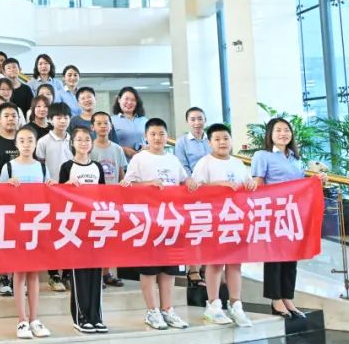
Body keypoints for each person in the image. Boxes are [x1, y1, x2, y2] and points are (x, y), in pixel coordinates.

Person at [120, 118, 190, 331]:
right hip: (148, 221)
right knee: (149, 269)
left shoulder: (173, 159)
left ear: (167, 136)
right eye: (153, 134)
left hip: (171, 220)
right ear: (146, 137)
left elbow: (184, 181)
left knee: (169, 269)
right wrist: (148, 184)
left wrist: (193, 183)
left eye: (161, 134)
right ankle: (152, 311)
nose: (158, 138)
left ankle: (167, 309)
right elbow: (127, 186)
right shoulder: (139, 159)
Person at [253, 117, 327, 319]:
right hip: (273, 212)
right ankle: (275, 300)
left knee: (291, 257)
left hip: (293, 213)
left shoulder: (295, 158)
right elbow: (258, 184)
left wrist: (316, 181)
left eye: (286, 130)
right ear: (270, 134)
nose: (283, 134)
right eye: (278, 130)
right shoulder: (262, 155)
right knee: (275, 258)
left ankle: (287, 298)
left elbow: (300, 185)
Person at [189, 123, 257, 328]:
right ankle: (213, 305)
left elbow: (248, 184)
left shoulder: (238, 163)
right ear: (209, 142)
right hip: (214, 220)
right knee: (215, 262)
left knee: (235, 263)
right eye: (217, 139)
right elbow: (194, 189)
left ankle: (236, 305)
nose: (222, 142)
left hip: (236, 220)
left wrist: (251, 183)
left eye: (226, 138)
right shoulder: (205, 163)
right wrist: (219, 185)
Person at [0, 127, 55, 340]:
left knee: (34, 273)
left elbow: (50, 195)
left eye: (30, 140)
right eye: (21, 140)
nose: (26, 144)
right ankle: (21, 320)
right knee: (19, 272)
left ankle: (34, 319)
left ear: (35, 143)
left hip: (37, 227)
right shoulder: (9, 167)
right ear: (16, 144)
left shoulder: (42, 167)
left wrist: (51, 185)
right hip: (16, 226)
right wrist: (6, 185)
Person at [59, 127, 108, 334]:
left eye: (87, 139)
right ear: (72, 143)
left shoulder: (97, 167)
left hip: (94, 225)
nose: (83, 143)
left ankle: (96, 316)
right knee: (79, 273)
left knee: (96, 273)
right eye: (79, 139)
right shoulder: (67, 166)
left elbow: (104, 195)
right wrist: (66, 186)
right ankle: (81, 317)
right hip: (75, 226)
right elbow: (59, 196)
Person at [89, 111, 128, 288]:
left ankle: (107, 272)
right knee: (96, 237)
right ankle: (96, 274)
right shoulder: (89, 148)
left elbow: (121, 173)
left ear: (111, 126)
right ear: (93, 127)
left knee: (110, 237)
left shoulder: (117, 149)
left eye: (106, 123)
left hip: (113, 200)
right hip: (95, 200)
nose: (103, 126)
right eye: (99, 123)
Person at [112, 86, 149, 159]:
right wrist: (123, 149)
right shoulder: (111, 121)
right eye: (126, 99)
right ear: (119, 100)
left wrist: (147, 147)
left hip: (143, 161)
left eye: (133, 100)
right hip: (121, 162)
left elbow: (151, 140)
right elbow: (106, 144)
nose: (129, 102)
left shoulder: (144, 120)